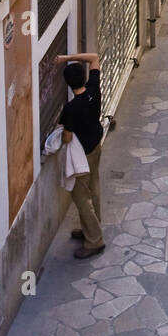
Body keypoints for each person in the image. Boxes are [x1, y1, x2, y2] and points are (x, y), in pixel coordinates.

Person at [56, 50, 105, 260]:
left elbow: (66, 138)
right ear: (84, 78)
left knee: (80, 196)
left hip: (82, 154)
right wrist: (68, 59)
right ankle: (90, 227)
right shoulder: (94, 89)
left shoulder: (71, 108)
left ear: (68, 84)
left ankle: (95, 240)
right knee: (93, 186)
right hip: (96, 146)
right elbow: (94, 57)